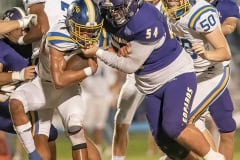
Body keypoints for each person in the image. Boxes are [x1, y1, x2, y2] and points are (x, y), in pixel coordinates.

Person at [81, 0, 225, 159]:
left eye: (119, 9)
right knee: (164, 141)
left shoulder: (146, 20)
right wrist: (116, 47)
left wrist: (98, 52)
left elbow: (130, 66)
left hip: (175, 77)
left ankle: (215, 157)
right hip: (151, 86)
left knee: (174, 127)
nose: (116, 14)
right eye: (111, 10)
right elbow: (108, 35)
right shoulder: (108, 16)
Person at [9, 0, 103, 160]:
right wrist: (89, 69)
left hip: (47, 73)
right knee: (75, 134)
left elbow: (41, 28)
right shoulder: (70, 24)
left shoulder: (67, 29)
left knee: (44, 132)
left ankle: (34, 154)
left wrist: (20, 40)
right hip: (54, 74)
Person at [154, 0, 232, 159]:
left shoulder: (200, 12)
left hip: (210, 73)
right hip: (186, 74)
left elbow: (225, 52)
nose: (171, 1)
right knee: (183, 122)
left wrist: (206, 54)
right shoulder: (161, 11)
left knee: (181, 121)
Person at [0, 7, 58, 160]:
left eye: (28, 28)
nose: (25, 32)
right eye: (22, 28)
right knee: (41, 133)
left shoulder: (32, 45)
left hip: (23, 105)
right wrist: (17, 75)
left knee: (49, 134)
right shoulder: (2, 47)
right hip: (6, 105)